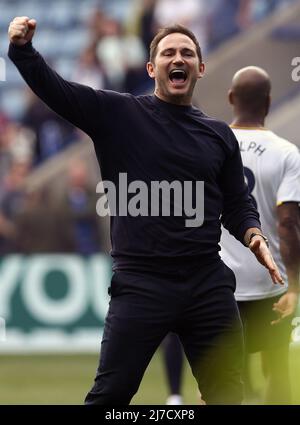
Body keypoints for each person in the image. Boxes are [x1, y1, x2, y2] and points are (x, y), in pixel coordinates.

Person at [8, 18, 283, 405]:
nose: (179, 58)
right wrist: (23, 51)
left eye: (187, 53)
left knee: (228, 396)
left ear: (200, 68)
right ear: (152, 68)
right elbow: (60, 92)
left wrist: (254, 234)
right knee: (110, 397)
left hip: (207, 282)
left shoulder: (219, 135)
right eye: (168, 52)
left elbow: (237, 203)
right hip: (142, 283)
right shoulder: (118, 114)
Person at [220, 66, 300, 404]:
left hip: (220, 286)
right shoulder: (286, 153)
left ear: (231, 99)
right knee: (278, 370)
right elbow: (288, 224)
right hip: (271, 284)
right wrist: (295, 284)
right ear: (268, 101)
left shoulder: (211, 144)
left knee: (219, 376)